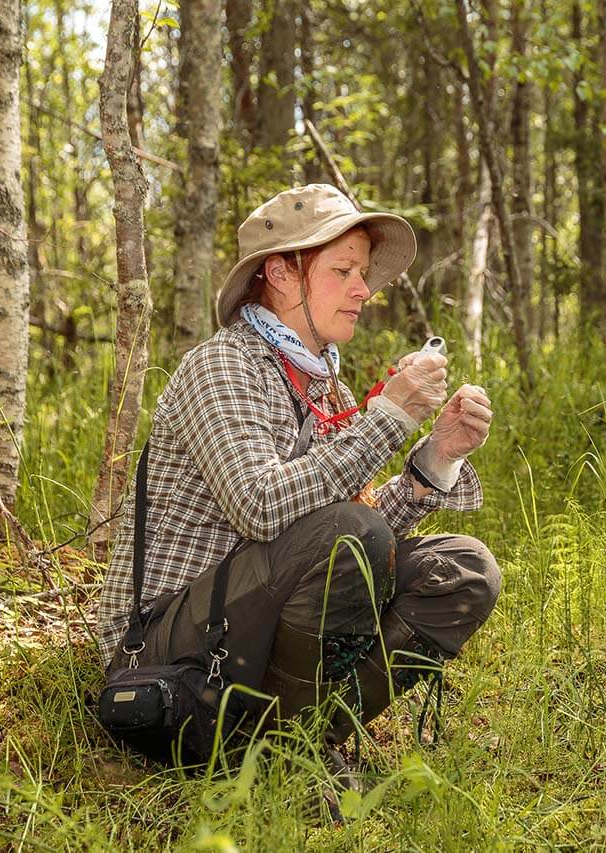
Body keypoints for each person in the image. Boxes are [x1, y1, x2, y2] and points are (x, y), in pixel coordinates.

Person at [95, 184, 500, 774]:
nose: (363, 290)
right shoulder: (223, 363)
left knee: (464, 570)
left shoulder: (323, 385)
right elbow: (261, 506)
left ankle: (296, 743)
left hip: (244, 621)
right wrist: (390, 417)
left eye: (364, 273)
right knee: (350, 536)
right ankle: (294, 760)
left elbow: (359, 532)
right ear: (281, 274)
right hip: (162, 646)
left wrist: (436, 457)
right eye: (343, 270)